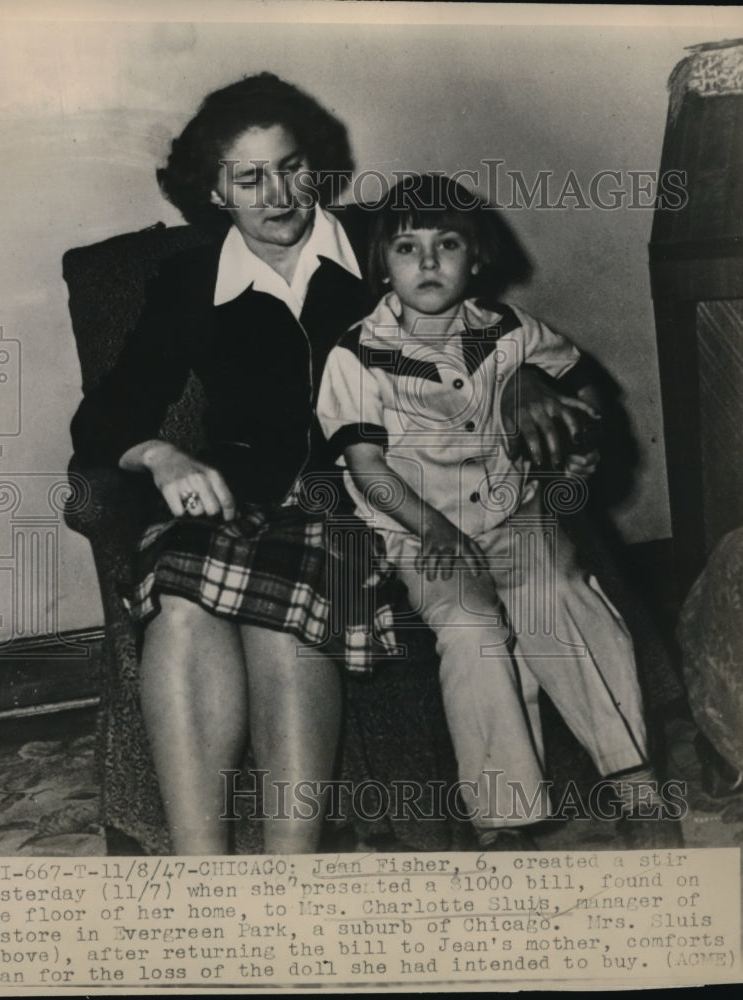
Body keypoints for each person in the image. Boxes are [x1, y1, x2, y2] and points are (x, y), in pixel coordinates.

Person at [71, 75, 595, 855]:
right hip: (236, 491)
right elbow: (107, 414)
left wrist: (517, 381)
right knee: (181, 607)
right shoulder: (188, 284)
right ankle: (199, 878)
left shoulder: (381, 247)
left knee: (284, 618)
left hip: (364, 497)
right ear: (215, 191)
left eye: (291, 168)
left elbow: (480, 326)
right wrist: (162, 453)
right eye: (251, 178)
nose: (279, 194)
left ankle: (291, 882)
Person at [317, 174, 681, 849]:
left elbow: (583, 390)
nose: (428, 262)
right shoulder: (356, 353)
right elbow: (368, 469)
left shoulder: (510, 329)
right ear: (382, 266)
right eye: (406, 247)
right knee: (470, 625)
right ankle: (502, 817)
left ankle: (633, 776)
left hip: (514, 513)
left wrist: (581, 443)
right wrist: (433, 529)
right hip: (421, 530)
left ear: (477, 258)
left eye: (447, 244)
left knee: (560, 591)